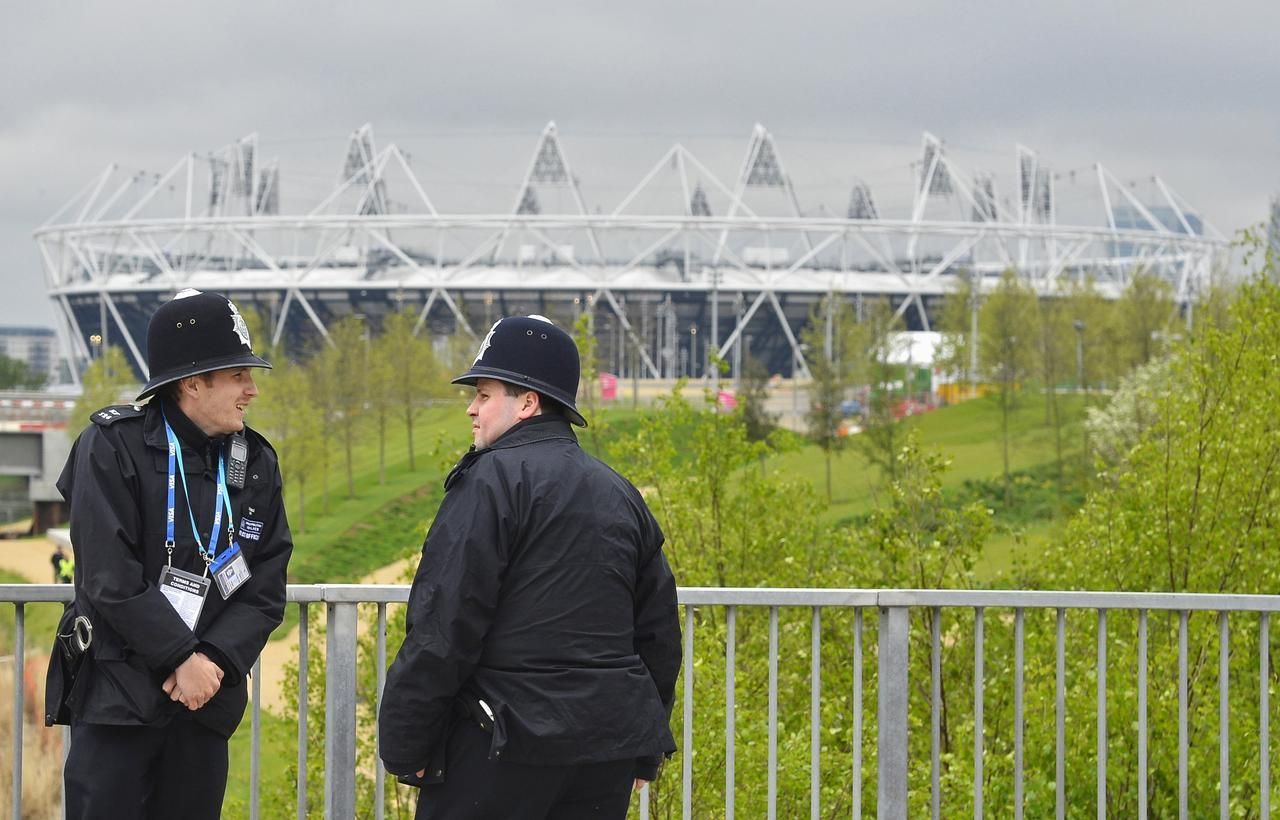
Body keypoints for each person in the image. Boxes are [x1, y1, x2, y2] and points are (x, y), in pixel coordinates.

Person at [378, 315, 682, 819]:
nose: (472, 409)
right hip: (604, 751)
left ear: (527, 402)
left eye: (483, 393)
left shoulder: (489, 483)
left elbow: (444, 626)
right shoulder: (620, 492)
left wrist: (406, 745)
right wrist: (643, 748)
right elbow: (659, 634)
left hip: (500, 746)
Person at [44, 289, 293, 820]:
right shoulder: (111, 446)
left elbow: (266, 583)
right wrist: (180, 657)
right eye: (238, 376)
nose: (251, 390)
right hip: (118, 702)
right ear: (192, 382)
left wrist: (212, 662)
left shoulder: (255, 462)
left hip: (203, 706)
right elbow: (109, 578)